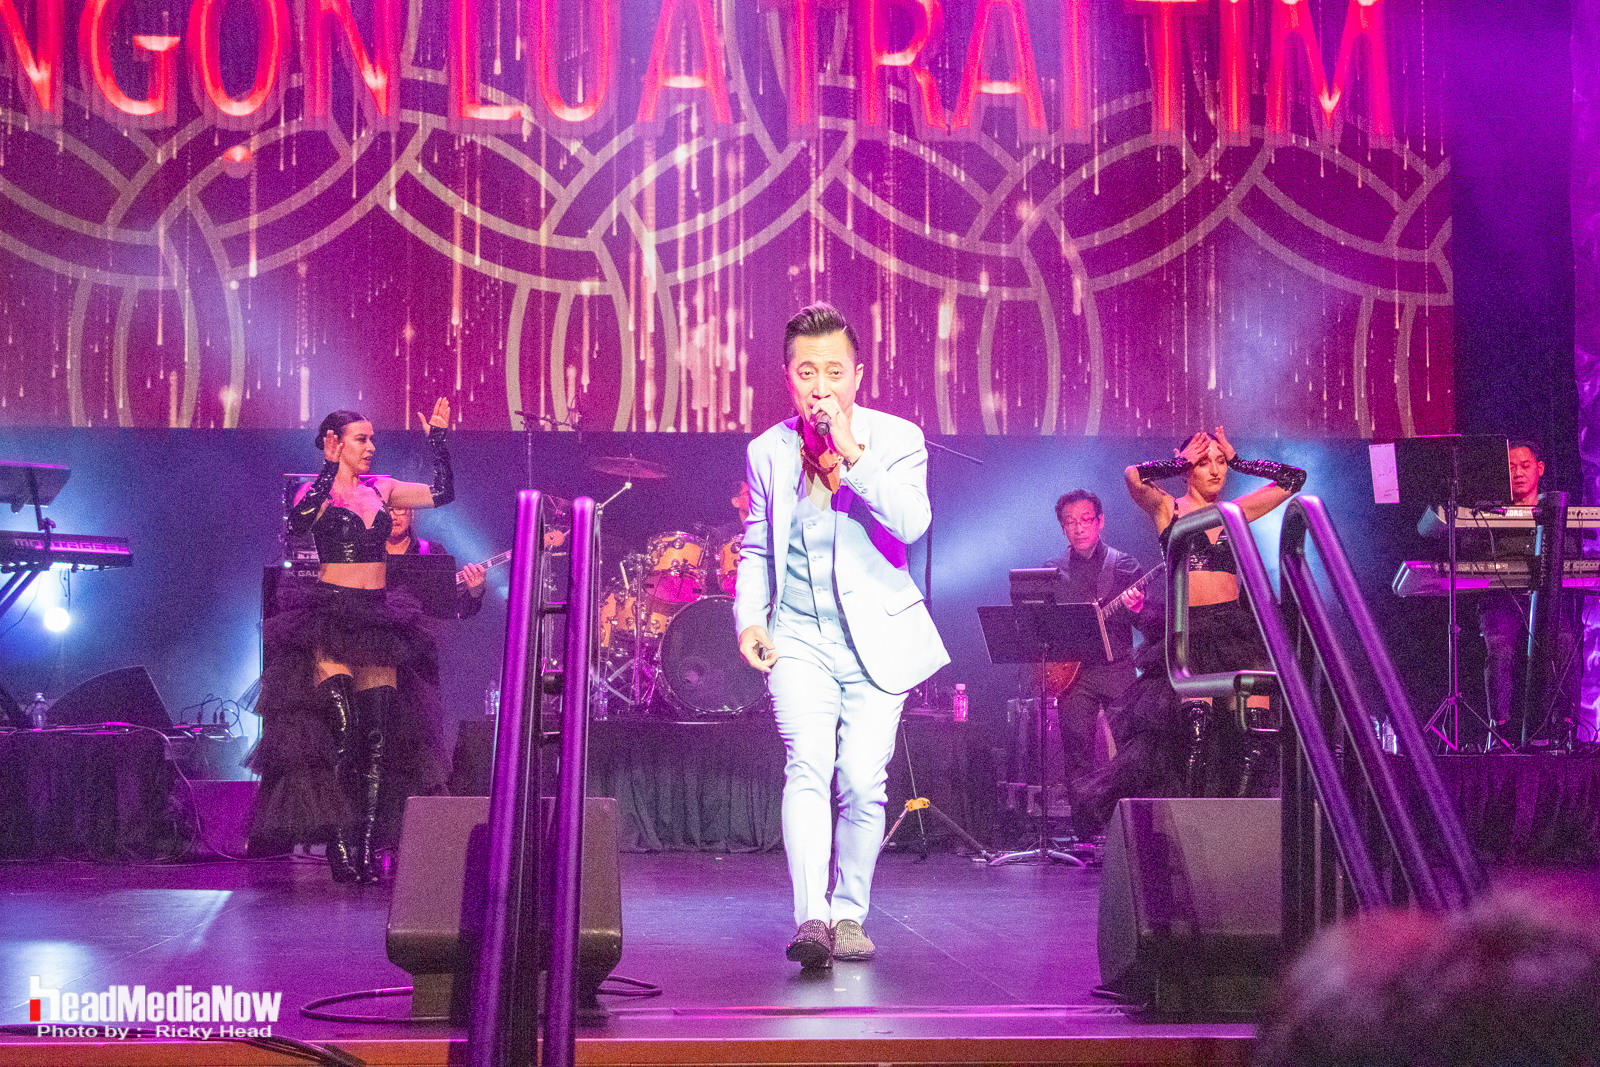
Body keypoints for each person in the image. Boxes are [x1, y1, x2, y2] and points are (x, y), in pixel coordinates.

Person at [734, 303, 948, 970]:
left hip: (876, 639)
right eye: (807, 372)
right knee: (807, 764)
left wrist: (853, 454)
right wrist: (749, 617)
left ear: (857, 376)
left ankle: (850, 911)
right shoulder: (767, 452)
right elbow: (756, 546)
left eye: (833, 371)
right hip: (798, 637)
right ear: (788, 377)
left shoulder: (899, 438)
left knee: (861, 779)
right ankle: (812, 917)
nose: (820, 386)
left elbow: (911, 522)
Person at [247, 400, 456, 883]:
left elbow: (442, 493)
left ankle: (366, 845)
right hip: (330, 616)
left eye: (372, 439)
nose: (371, 447)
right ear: (335, 444)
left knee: (377, 739)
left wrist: (438, 440)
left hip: (376, 618)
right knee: (341, 731)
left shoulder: (382, 489)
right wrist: (328, 468)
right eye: (361, 439)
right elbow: (300, 521)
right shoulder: (315, 491)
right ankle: (338, 842)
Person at [1122, 428, 1305, 798]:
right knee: (1197, 731)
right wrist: (1178, 462)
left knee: (1256, 728)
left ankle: (1239, 812)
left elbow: (1294, 479)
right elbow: (1133, 476)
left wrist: (1240, 461)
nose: (1216, 470)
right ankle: (1194, 815)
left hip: (1234, 631)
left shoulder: (1235, 512)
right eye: (1205, 462)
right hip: (1189, 630)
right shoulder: (1168, 508)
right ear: (1188, 469)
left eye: (1221, 462)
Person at [1472, 439, 1580, 746]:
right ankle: (1500, 732)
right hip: (1501, 601)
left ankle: (1564, 730)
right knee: (1499, 651)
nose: (1518, 473)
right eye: (1511, 467)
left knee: (1566, 645)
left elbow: (1571, 552)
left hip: (1547, 601)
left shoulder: (1556, 512)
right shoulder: (1489, 513)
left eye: (1525, 465)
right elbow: (1475, 556)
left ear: (1539, 469)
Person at [1043, 490, 1153, 793]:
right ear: (1063, 528)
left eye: (1085, 520)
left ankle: (1130, 814)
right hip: (1073, 676)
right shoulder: (1051, 570)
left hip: (1117, 668)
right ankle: (1084, 821)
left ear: (1100, 521)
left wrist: (1138, 609)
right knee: (1077, 758)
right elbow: (1043, 626)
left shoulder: (1124, 565)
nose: (1078, 528)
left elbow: (1147, 622)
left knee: (1131, 750)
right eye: (1070, 522)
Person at [385, 504, 488, 619]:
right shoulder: (368, 553)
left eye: (399, 509)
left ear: (412, 512)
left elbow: (455, 611)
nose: (392, 516)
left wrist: (474, 593)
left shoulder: (433, 552)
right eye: (385, 510)